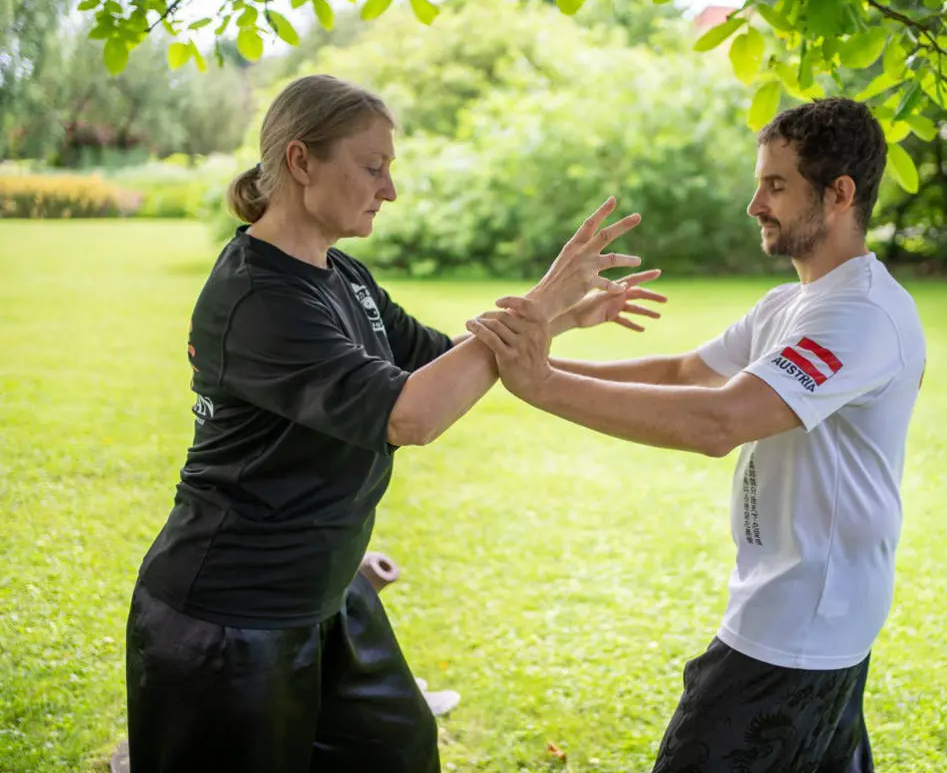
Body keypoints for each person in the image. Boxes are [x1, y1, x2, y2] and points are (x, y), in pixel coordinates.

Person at [124, 73, 663, 772]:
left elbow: (444, 363)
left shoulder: (341, 277)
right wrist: (541, 298)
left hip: (328, 591)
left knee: (397, 751)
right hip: (232, 618)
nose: (390, 190)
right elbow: (413, 414)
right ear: (299, 161)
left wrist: (557, 316)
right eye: (373, 167)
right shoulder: (257, 298)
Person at [465, 98, 927, 772]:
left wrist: (541, 384)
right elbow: (687, 372)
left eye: (775, 185)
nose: (754, 204)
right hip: (813, 620)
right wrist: (535, 361)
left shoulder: (859, 315)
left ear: (839, 194)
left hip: (796, 630)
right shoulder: (793, 304)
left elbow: (721, 421)